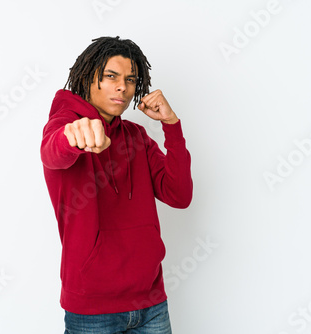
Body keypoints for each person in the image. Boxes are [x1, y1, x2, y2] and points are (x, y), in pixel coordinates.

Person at [40, 36, 193, 334]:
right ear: (87, 77)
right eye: (111, 76)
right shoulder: (64, 126)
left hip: (151, 303)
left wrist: (172, 126)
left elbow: (179, 195)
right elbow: (52, 152)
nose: (122, 87)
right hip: (92, 311)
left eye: (130, 80)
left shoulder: (137, 137)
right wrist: (74, 135)